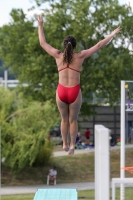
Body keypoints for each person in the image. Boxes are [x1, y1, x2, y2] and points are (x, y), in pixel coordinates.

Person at [37, 15, 121, 156]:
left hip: (62, 91)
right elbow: (99, 45)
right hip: (74, 92)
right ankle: (72, 146)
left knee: (64, 119)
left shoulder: (58, 55)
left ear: (64, 46)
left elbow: (43, 43)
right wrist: (112, 34)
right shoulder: (80, 56)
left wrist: (40, 25)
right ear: (75, 46)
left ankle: (64, 143)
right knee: (73, 120)